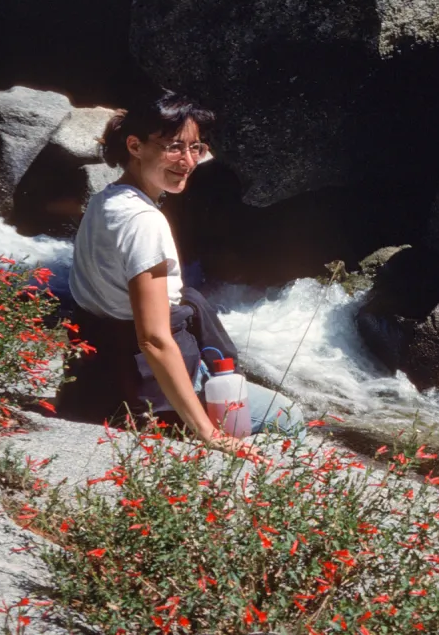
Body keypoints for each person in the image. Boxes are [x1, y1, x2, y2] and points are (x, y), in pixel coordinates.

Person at [59, 91, 299, 453]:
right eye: (174, 147)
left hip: (100, 374)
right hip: (142, 389)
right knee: (289, 417)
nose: (187, 161)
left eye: (196, 148)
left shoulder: (105, 201)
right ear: (135, 146)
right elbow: (154, 339)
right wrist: (208, 433)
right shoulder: (144, 223)